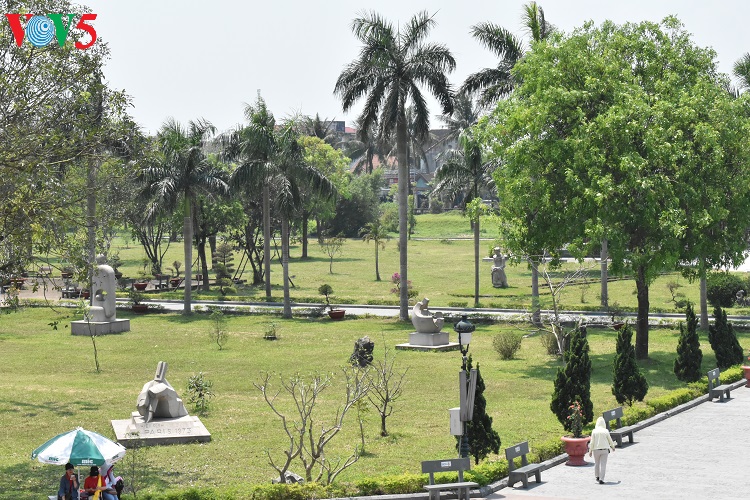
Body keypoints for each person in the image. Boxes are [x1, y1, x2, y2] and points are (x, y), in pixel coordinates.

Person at [588, 416, 616, 484]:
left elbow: (592, 442)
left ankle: (597, 476)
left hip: (596, 450)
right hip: (605, 450)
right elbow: (610, 440)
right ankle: (601, 479)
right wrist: (613, 447)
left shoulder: (594, 431)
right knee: (603, 464)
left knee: (597, 463)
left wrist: (590, 451)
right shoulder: (606, 431)